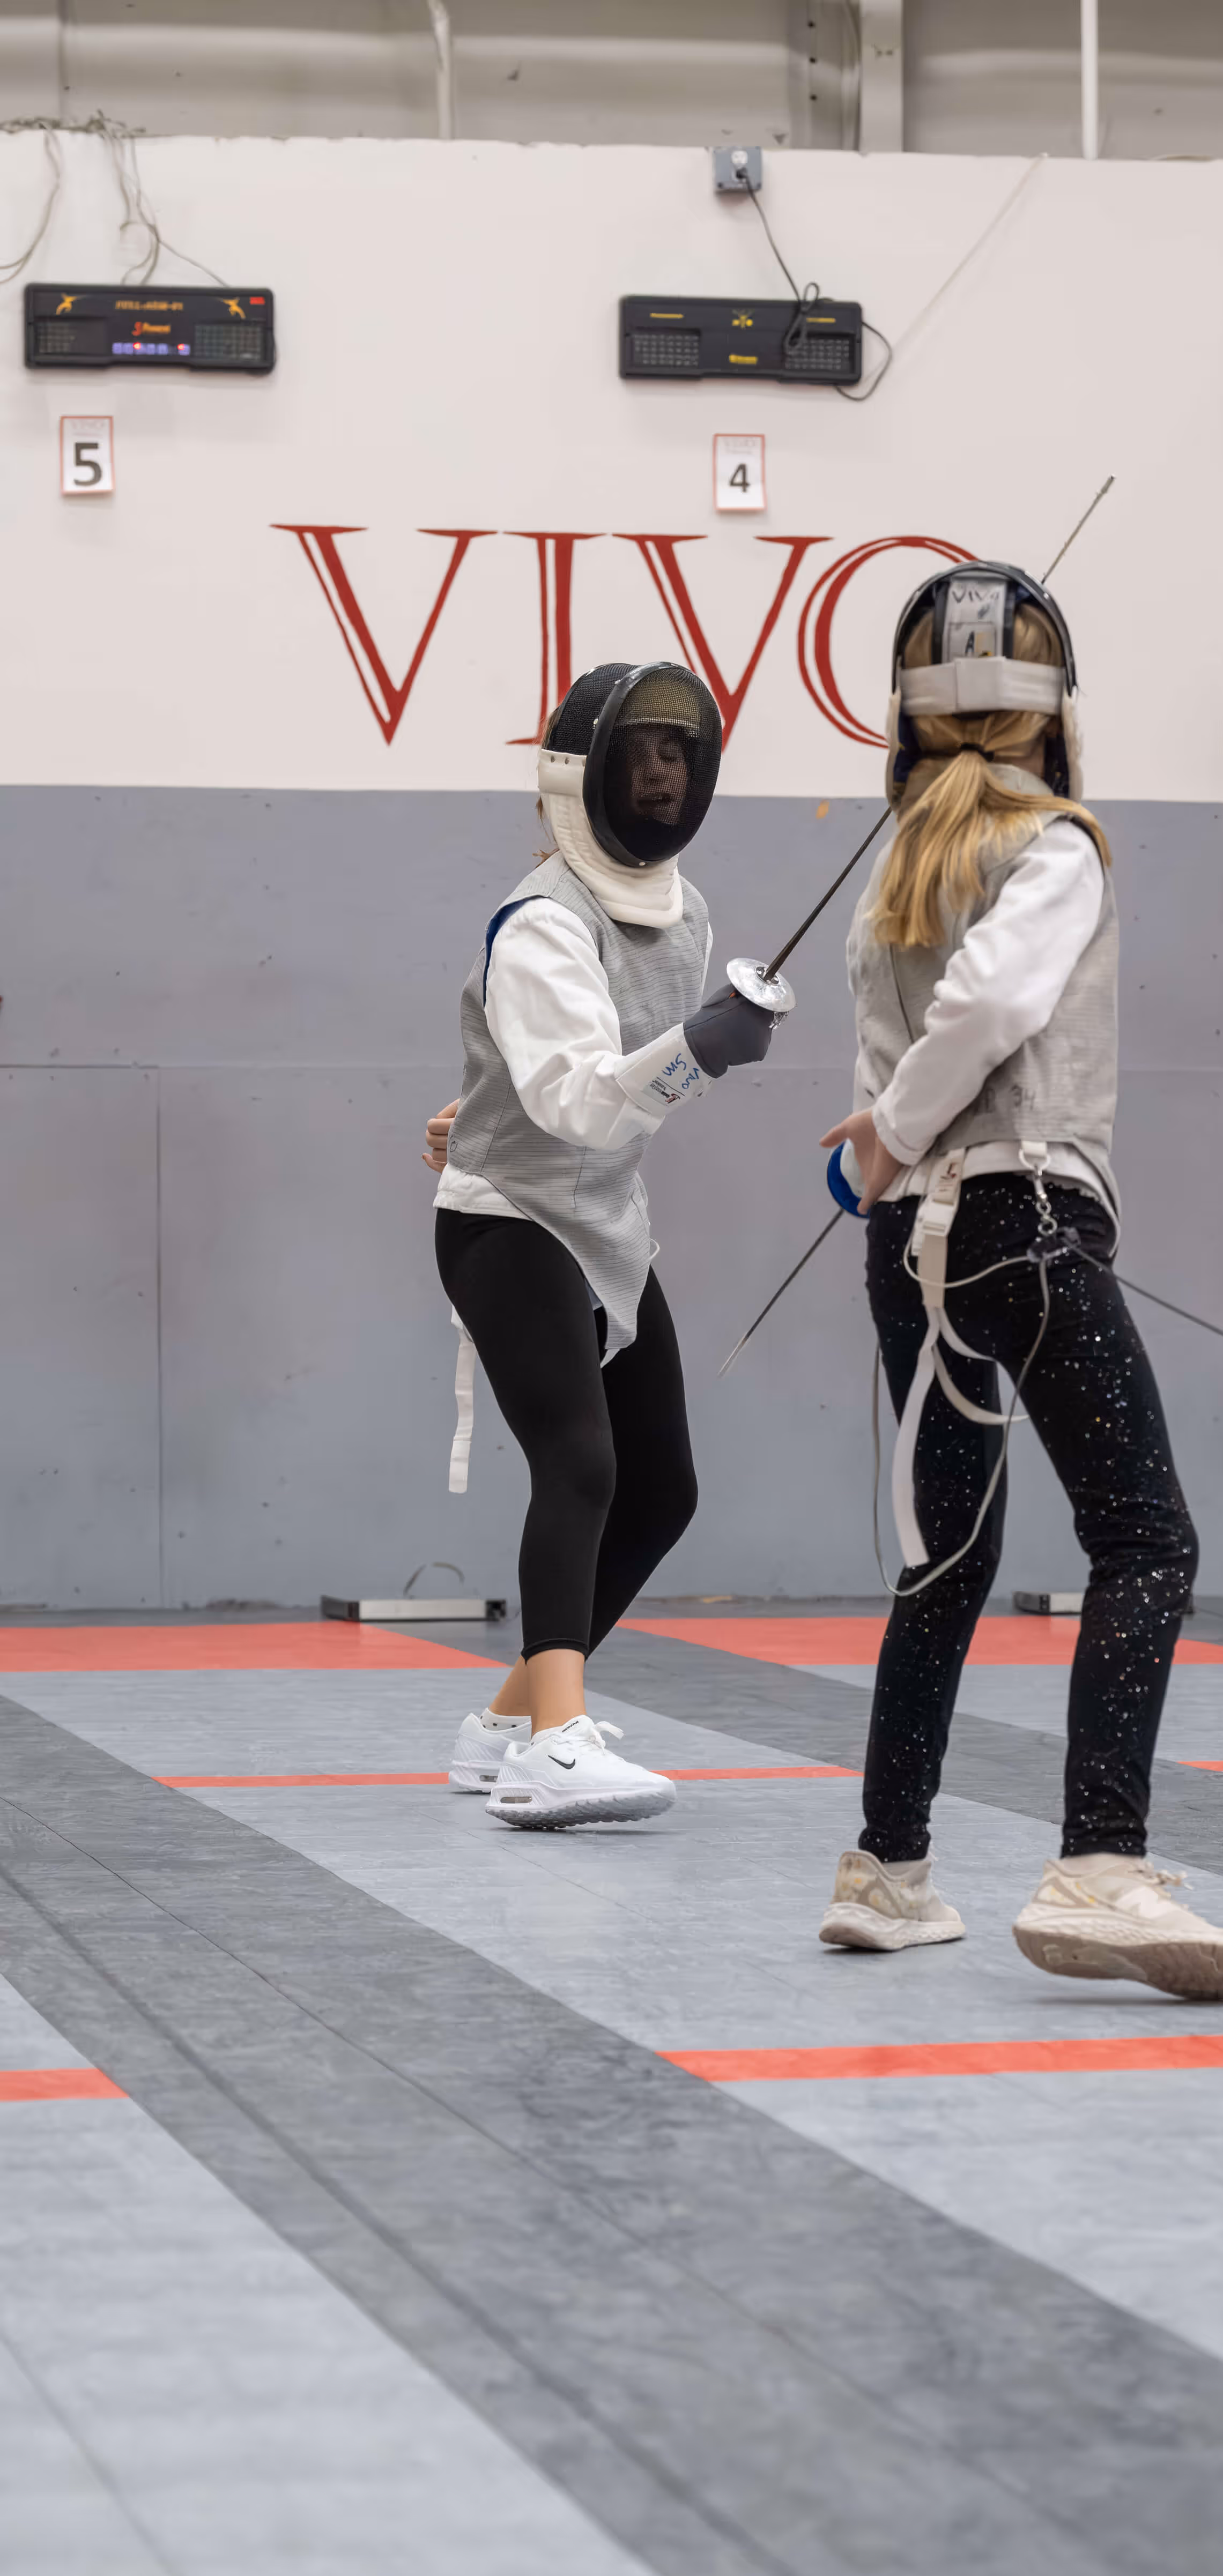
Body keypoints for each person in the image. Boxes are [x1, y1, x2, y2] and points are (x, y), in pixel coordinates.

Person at [815, 564, 1223, 1999]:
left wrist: (883, 1143)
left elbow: (913, 1043)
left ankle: (885, 1875)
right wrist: (897, 1128)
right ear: (1048, 709)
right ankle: (1099, 1864)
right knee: (1147, 1540)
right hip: (1023, 1219)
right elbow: (996, 1004)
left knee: (944, 1562)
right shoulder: (1054, 843)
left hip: (913, 1250)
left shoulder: (901, 852)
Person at [425, 660, 779, 1829]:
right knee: (580, 1462)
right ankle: (554, 1745)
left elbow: (606, 1097)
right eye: (640, 757)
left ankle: (506, 1724)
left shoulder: (689, 913)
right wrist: (700, 1049)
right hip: (510, 1220)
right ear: (584, 782)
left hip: (608, 1225)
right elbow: (576, 1099)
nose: (663, 776)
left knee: (662, 1487)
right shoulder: (539, 923)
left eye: (679, 755)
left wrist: (696, 1044)